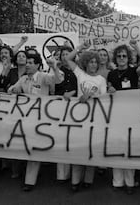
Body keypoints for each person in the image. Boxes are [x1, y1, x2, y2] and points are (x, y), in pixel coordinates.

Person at [8, 53, 63, 192]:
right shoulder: (24, 79)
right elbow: (11, 90)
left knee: (34, 149)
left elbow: (58, 80)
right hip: (26, 118)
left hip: (42, 119)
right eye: (27, 62)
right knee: (29, 147)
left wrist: (54, 67)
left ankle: (30, 181)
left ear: (38, 65)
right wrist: (13, 90)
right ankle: (29, 174)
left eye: (31, 62)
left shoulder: (43, 77)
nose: (27, 64)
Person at [107, 40, 140, 195]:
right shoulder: (111, 74)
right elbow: (107, 90)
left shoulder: (133, 71)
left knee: (129, 148)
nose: (121, 58)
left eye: (124, 55)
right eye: (119, 55)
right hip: (115, 115)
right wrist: (109, 88)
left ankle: (130, 182)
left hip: (132, 115)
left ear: (128, 57)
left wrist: (137, 49)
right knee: (116, 148)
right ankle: (117, 182)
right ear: (115, 58)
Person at [64, 42, 107, 192]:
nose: (93, 64)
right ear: (85, 63)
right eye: (90, 61)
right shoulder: (80, 74)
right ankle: (75, 181)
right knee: (78, 149)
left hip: (94, 118)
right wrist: (80, 47)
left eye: (95, 61)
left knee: (90, 149)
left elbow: (104, 99)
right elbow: (68, 60)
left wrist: (90, 95)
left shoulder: (101, 80)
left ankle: (88, 180)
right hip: (78, 117)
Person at [54, 46, 78, 184]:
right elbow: (54, 86)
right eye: (62, 54)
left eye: (67, 54)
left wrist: (73, 94)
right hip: (59, 107)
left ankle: (75, 175)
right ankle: (62, 175)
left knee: (72, 140)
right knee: (61, 140)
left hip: (75, 108)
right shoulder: (56, 70)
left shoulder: (78, 69)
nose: (64, 56)